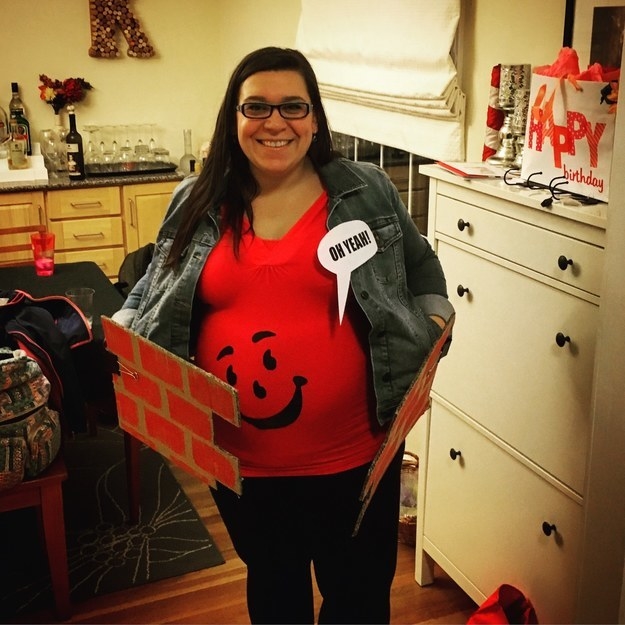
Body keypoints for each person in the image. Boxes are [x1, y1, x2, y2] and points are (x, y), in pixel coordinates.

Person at [113, 46, 454, 624]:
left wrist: (436, 325)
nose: (276, 122)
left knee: (359, 598)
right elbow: (151, 287)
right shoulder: (195, 201)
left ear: (315, 118)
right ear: (235, 118)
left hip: (357, 454)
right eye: (257, 107)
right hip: (243, 463)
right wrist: (125, 338)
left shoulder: (365, 192)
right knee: (274, 590)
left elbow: (421, 270)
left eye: (293, 106)